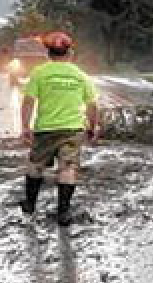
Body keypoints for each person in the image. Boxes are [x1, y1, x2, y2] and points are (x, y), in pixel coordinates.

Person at [19, 31, 100, 226]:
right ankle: (63, 212)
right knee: (68, 168)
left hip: (45, 129)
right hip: (72, 130)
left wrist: (25, 127)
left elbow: (28, 102)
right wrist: (92, 126)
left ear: (48, 54)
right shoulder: (81, 75)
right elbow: (92, 105)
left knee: (36, 165)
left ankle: (30, 204)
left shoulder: (39, 73)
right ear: (70, 53)